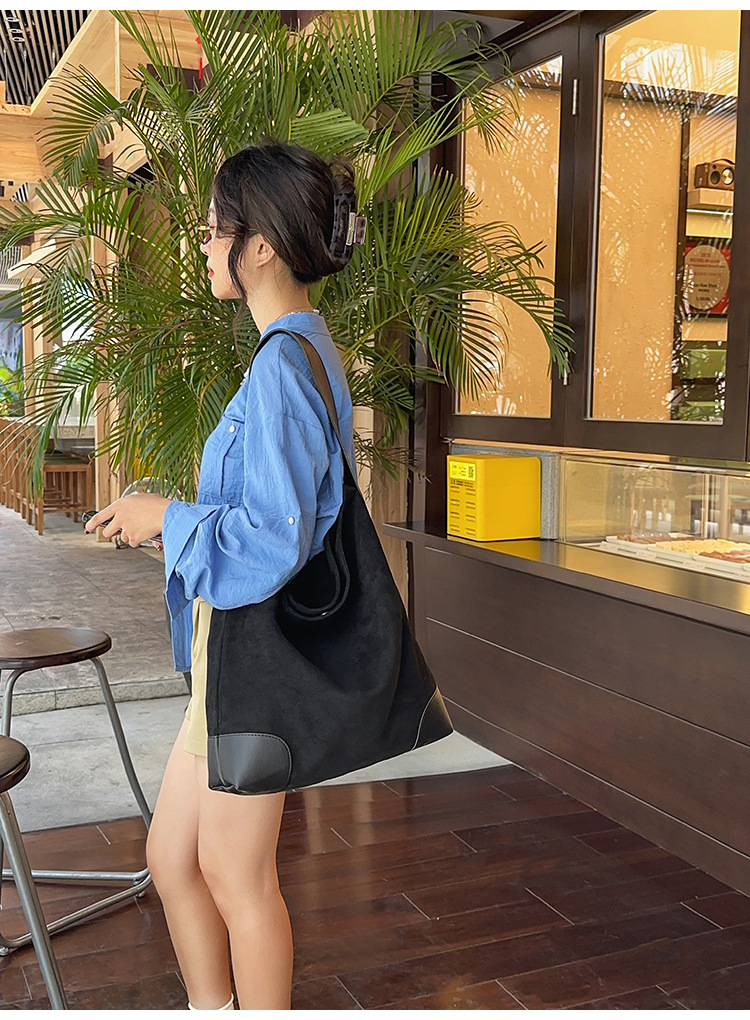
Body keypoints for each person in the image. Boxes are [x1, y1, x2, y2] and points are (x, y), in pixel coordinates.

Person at [85, 141, 359, 1010]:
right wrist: (166, 517)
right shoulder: (303, 348)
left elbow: (273, 541)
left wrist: (166, 518)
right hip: (231, 657)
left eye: (212, 231)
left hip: (253, 662)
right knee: (173, 859)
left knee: (234, 874)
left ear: (260, 246)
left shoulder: (283, 366)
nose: (203, 247)